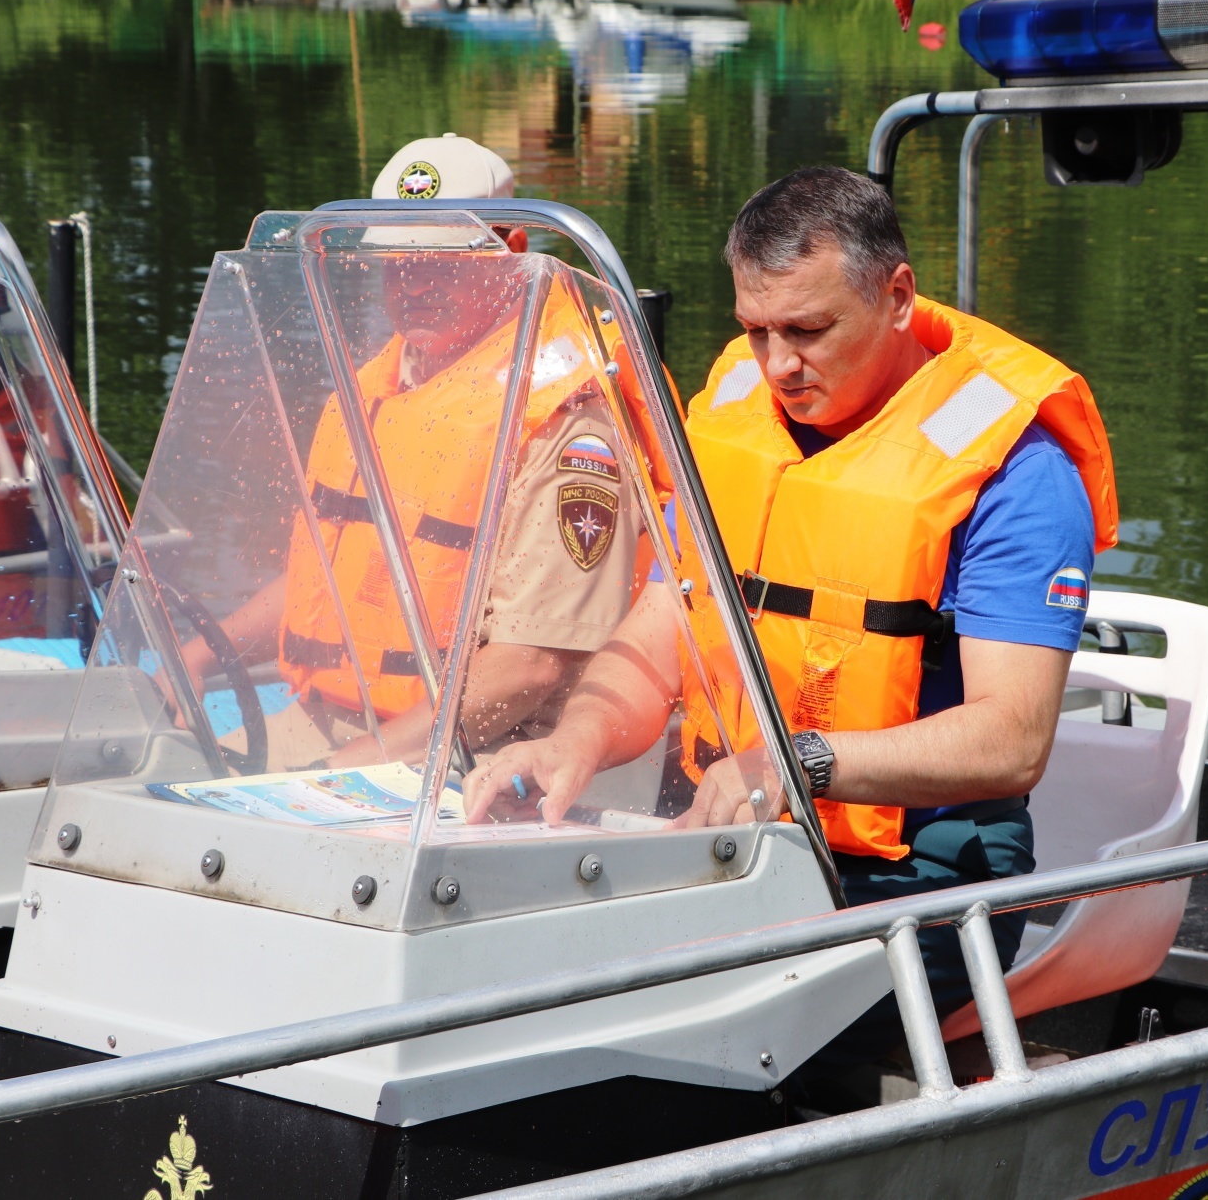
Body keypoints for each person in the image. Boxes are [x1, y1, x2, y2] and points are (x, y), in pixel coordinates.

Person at [464, 166, 1119, 1096]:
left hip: (911, 880)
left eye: (809, 331)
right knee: (498, 993)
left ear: (896, 298)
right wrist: (572, 740)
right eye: (755, 330)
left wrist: (790, 764)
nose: (777, 365)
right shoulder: (738, 410)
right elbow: (669, 619)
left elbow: (1013, 738)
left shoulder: (1014, 471)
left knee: (664, 1061)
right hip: (724, 838)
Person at [179, 134, 641, 769]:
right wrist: (205, 653)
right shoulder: (382, 384)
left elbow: (530, 667)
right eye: (397, 259)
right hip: (327, 723)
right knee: (140, 780)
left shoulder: (567, 420)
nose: (415, 282)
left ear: (513, 252)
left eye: (441, 260)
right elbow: (331, 574)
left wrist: (351, 767)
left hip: (475, 757)